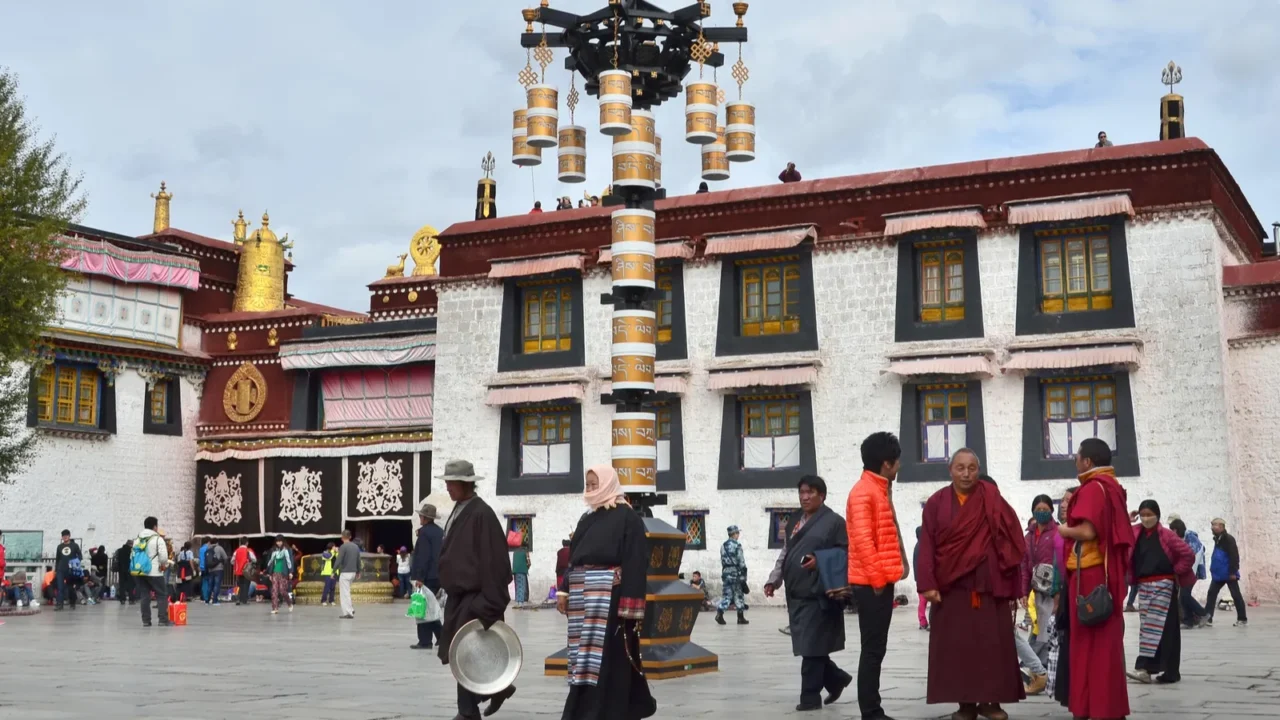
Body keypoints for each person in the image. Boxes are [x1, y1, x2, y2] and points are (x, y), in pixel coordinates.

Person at [917, 451, 1025, 720]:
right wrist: (927, 584)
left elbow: (1011, 537)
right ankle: (965, 704)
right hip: (951, 588)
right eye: (960, 468)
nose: (966, 474)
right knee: (956, 648)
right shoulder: (936, 503)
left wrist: (1010, 577)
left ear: (979, 470)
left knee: (992, 646)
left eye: (972, 468)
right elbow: (927, 546)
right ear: (950, 470)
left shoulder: (992, 497)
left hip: (989, 586)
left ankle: (990, 702)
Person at [558, 464, 655, 720]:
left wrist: (630, 606)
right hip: (584, 601)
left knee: (610, 660)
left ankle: (611, 710)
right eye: (588, 484)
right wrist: (564, 591)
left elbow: (636, 561)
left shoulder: (627, 517)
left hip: (611, 601)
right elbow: (574, 559)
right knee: (584, 660)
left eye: (595, 484)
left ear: (608, 483)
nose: (590, 489)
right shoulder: (587, 518)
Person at [763, 475, 852, 712]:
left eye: (810, 492)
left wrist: (820, 560)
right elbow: (785, 553)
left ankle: (810, 697)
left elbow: (846, 552)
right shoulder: (794, 521)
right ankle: (836, 678)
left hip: (821, 594)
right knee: (810, 644)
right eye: (801, 492)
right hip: (796, 594)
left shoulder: (834, 522)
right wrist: (774, 580)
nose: (804, 497)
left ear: (822, 496)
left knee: (811, 647)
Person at [436, 459, 516, 720]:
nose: (447, 487)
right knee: (463, 653)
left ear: (465, 484)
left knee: (466, 654)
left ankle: (467, 712)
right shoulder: (460, 509)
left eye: (451, 483)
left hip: (477, 598)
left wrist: (487, 605)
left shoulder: (482, 514)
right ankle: (497, 690)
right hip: (460, 598)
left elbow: (495, 562)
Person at [1060, 438, 1132, 720]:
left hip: (1089, 575)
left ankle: (1090, 707)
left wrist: (1064, 530)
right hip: (1104, 572)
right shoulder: (1111, 487)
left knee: (1088, 643)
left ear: (1087, 461)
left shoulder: (1093, 488)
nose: (1076, 461)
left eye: (1077, 457)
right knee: (1105, 644)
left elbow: (1088, 531)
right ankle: (1106, 707)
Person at [846, 432, 907, 720]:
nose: (898, 467)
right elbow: (862, 541)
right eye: (897, 462)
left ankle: (873, 708)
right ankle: (870, 712)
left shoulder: (878, 489)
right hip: (872, 584)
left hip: (879, 580)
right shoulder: (863, 493)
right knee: (872, 649)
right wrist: (879, 581)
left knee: (876, 648)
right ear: (886, 464)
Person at [1126, 499, 1193, 685]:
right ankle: (1147, 668)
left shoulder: (1167, 535)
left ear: (1158, 515)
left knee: (1168, 629)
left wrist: (1175, 571)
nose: (1146, 518)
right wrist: (1127, 519)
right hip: (1144, 586)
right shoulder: (1136, 532)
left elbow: (1188, 554)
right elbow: (1118, 533)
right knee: (1147, 628)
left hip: (1164, 586)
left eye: (1150, 514)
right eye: (1143, 514)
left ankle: (1169, 671)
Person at [1020, 495, 1065, 667]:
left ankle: (1035, 666)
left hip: (1053, 590)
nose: (1041, 513)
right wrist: (1023, 592)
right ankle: (1037, 665)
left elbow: (1061, 562)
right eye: (1038, 510)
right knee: (1039, 627)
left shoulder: (1058, 533)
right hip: (1036, 590)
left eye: (1045, 510)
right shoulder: (1029, 536)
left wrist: (1059, 591)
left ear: (1052, 511)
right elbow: (1024, 566)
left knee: (1045, 628)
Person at [410, 501, 445, 650]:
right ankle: (442, 637)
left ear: (425, 518)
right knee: (429, 607)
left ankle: (425, 641)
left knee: (421, 608)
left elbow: (423, 556)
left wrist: (420, 577)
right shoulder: (439, 532)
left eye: (421, 516)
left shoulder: (424, 533)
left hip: (425, 577)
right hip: (438, 576)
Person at [1166, 516, 1208, 627]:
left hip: (1190, 574)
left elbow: (1194, 556)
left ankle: (1203, 614)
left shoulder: (1190, 540)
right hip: (1184, 575)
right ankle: (1189, 621)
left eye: (1172, 530)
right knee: (1183, 598)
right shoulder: (1180, 540)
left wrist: (1179, 569)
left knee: (1185, 596)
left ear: (1175, 529)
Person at [1205, 517, 1247, 626]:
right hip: (1219, 574)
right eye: (1212, 525)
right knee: (1211, 593)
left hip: (1229, 573)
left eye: (1215, 525)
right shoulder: (1217, 539)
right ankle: (1208, 618)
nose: (1212, 527)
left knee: (1236, 595)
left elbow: (1234, 556)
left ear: (1222, 527)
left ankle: (1242, 619)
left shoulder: (1228, 539)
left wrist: (1233, 572)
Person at [134, 517, 170, 627]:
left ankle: (146, 621)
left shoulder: (138, 539)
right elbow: (164, 558)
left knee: (145, 595)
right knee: (161, 595)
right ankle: (162, 620)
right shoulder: (158, 539)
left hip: (141, 571)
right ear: (155, 526)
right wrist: (163, 564)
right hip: (155, 572)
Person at [715, 525, 749, 625]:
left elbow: (722, 560)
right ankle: (740, 617)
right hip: (735, 574)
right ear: (734, 534)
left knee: (726, 595)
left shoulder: (723, 546)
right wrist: (744, 574)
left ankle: (719, 613)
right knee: (738, 595)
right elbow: (741, 562)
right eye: (738, 533)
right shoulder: (737, 545)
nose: (738, 535)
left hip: (726, 573)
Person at [53, 530, 82, 611]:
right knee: (60, 587)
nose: (65, 537)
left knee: (71, 588)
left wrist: (75, 562)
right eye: (63, 536)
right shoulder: (59, 547)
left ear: (69, 536)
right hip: (60, 569)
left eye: (66, 535)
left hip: (71, 570)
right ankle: (59, 604)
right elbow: (57, 558)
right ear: (62, 537)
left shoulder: (75, 545)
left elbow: (80, 556)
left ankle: (72, 602)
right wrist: (56, 569)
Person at [265, 535, 295, 614]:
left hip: (283, 572)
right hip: (275, 572)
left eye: (280, 541)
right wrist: (269, 573)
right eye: (277, 541)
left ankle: (289, 603)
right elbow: (270, 562)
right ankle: (275, 608)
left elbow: (290, 561)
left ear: (283, 541)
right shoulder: (273, 550)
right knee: (274, 590)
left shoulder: (288, 550)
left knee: (282, 590)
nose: (279, 543)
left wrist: (291, 572)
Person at [336, 530, 361, 619]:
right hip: (353, 572)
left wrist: (333, 571)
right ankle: (350, 608)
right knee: (347, 591)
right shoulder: (355, 547)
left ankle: (348, 612)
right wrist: (358, 571)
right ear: (350, 537)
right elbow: (358, 560)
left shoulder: (343, 547)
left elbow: (339, 559)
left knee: (344, 593)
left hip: (345, 572)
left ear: (342, 537)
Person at [914, 527, 930, 630]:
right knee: (927, 600)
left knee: (922, 601)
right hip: (925, 578)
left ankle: (922, 621)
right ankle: (924, 622)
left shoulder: (917, 546)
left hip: (919, 578)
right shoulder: (924, 546)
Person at [232, 537, 256, 606]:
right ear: (247, 543)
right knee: (246, 585)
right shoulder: (248, 550)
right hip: (246, 571)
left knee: (239, 585)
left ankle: (238, 599)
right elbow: (254, 559)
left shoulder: (236, 551)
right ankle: (244, 600)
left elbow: (232, 561)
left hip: (238, 571)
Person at [204, 539, 228, 605]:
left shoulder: (208, 549)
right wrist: (223, 564)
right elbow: (225, 557)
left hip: (210, 570)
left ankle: (207, 600)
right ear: (217, 542)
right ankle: (215, 601)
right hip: (219, 569)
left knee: (210, 585)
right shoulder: (219, 548)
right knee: (217, 585)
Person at [113, 540, 135, 604]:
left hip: (121, 570)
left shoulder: (119, 550)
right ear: (130, 544)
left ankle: (122, 599)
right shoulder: (132, 551)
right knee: (131, 585)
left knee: (122, 585)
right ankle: (131, 599)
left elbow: (116, 559)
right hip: (130, 570)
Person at [319, 542, 339, 607]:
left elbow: (339, 559)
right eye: (333, 546)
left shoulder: (335, 553)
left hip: (334, 572)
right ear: (330, 547)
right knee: (327, 587)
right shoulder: (325, 553)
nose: (334, 547)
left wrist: (337, 552)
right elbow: (328, 557)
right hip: (327, 572)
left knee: (332, 587)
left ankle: (331, 600)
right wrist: (333, 551)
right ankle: (323, 600)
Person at [511, 543, 530, 608]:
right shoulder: (525, 552)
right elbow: (528, 562)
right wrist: (527, 567)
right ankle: (521, 602)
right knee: (522, 586)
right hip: (522, 571)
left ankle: (518, 601)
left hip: (515, 571)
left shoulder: (515, 552)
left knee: (517, 586)